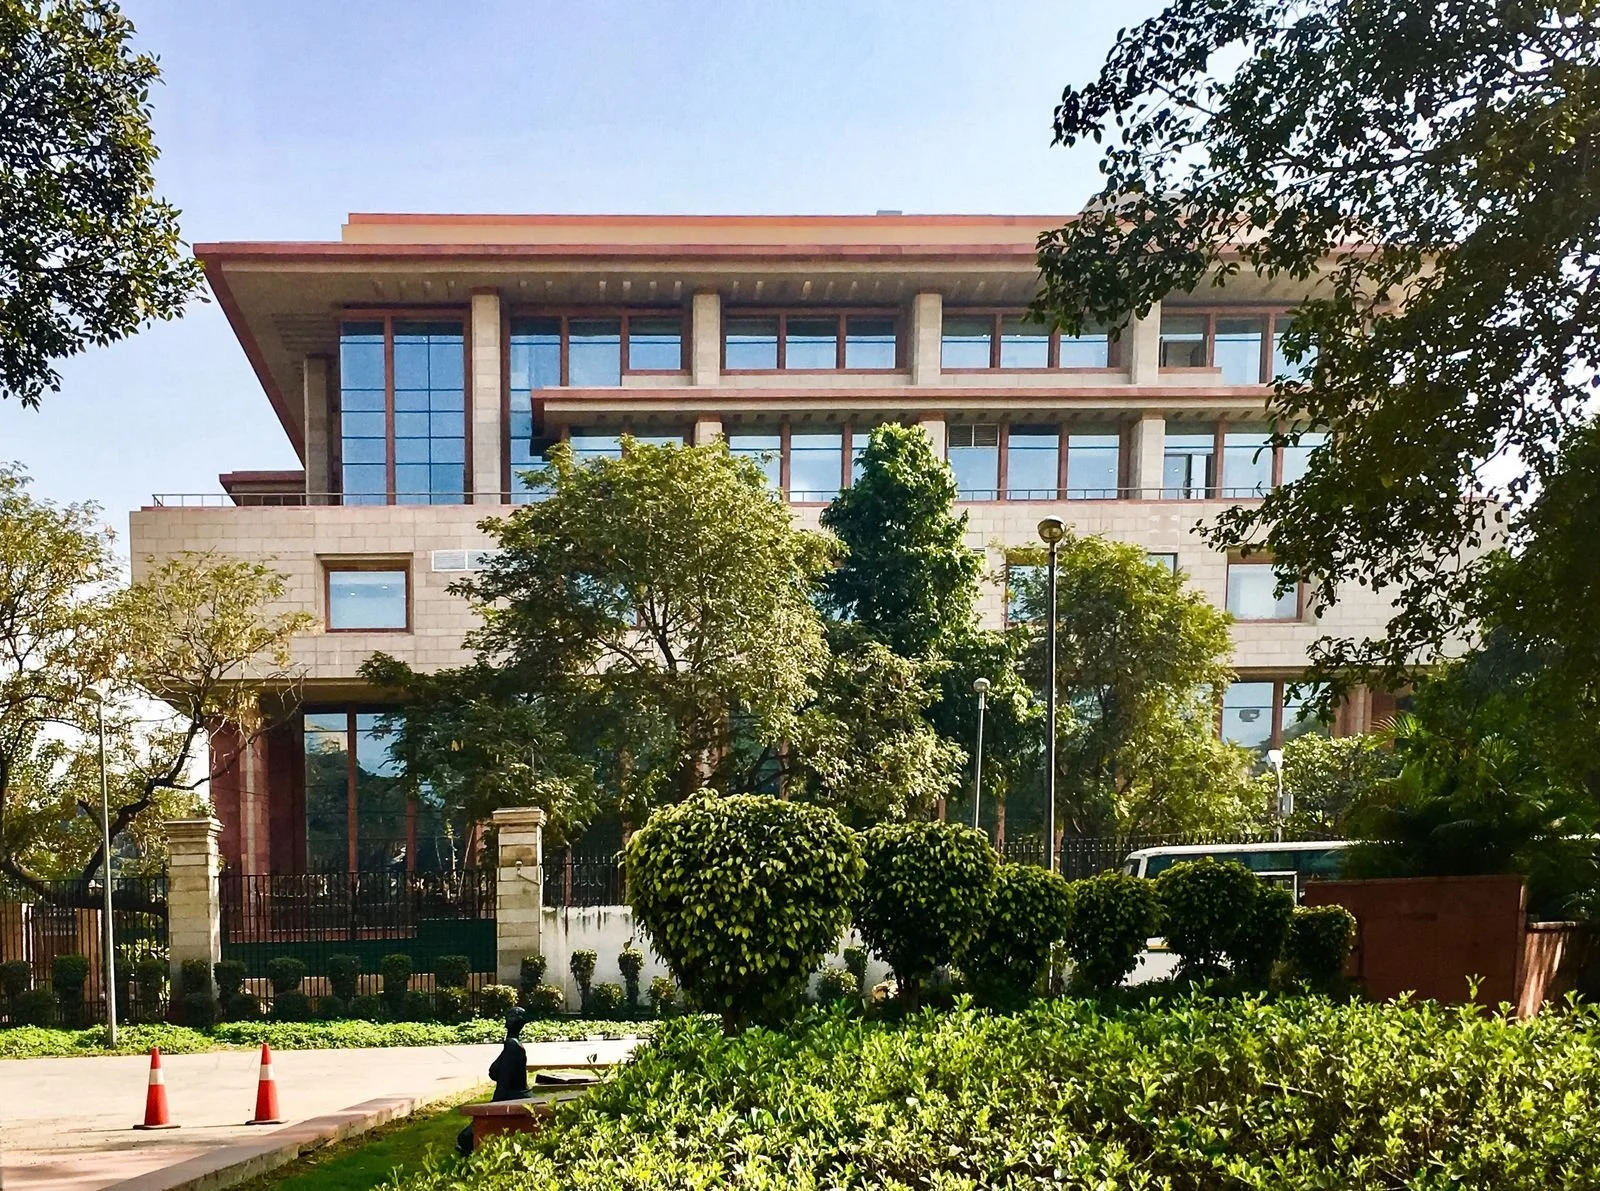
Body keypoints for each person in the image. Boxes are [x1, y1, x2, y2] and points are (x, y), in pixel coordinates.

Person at [458, 1006, 530, 1155]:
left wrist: (490, 1111)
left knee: (465, 1138)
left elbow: (503, 1087)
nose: (507, 1018)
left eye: (511, 1016)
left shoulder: (512, 1046)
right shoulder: (513, 1044)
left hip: (513, 1098)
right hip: (515, 1096)